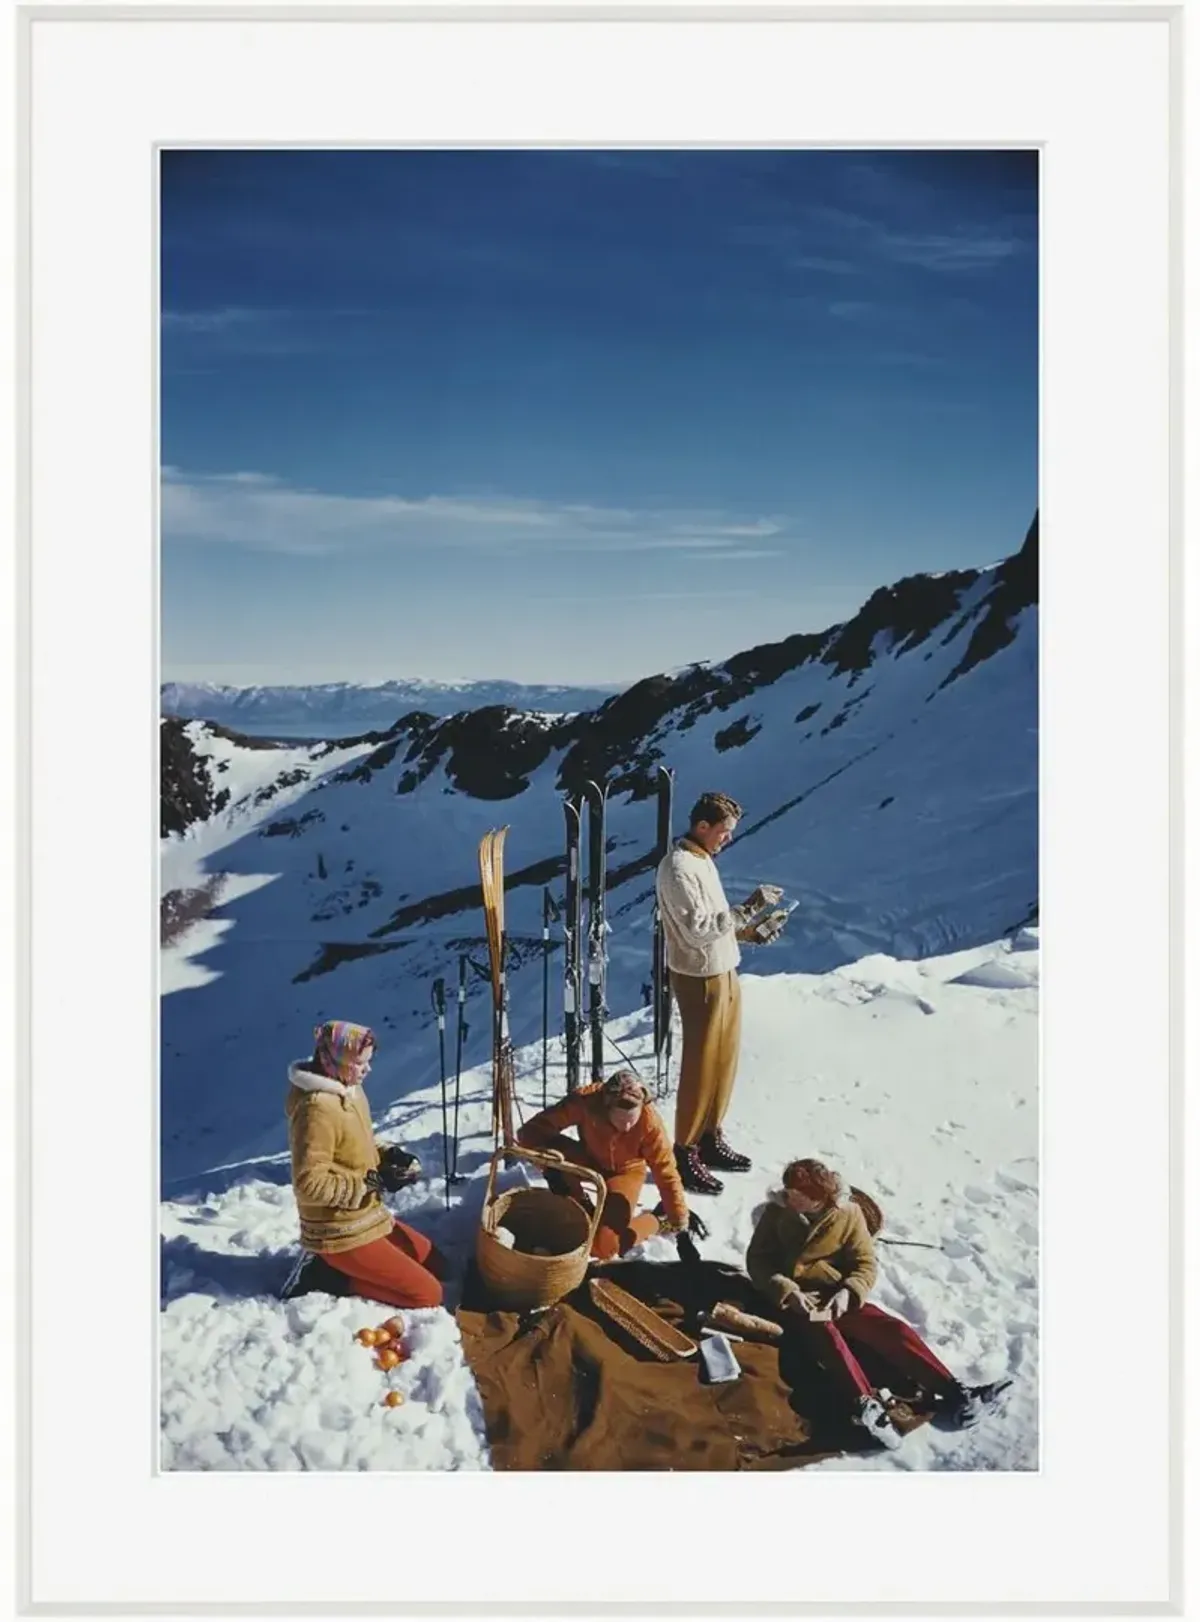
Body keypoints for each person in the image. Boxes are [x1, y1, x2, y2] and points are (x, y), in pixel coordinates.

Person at [747, 1158, 1009, 1449]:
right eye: (788, 1191)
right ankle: (866, 1404)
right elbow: (757, 1261)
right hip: (793, 1299)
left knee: (889, 1328)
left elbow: (865, 1263)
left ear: (820, 1198)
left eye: (799, 1195)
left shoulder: (849, 1215)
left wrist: (849, 1291)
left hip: (836, 1293)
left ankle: (955, 1392)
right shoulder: (776, 1212)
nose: (790, 1198)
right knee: (826, 1335)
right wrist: (786, 1289)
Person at [655, 789, 786, 1195]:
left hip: (723, 968)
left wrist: (748, 932)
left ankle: (710, 1136)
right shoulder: (679, 869)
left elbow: (714, 924)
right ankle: (686, 1148)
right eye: (724, 832)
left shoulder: (701, 861)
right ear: (702, 826)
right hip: (699, 976)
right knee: (701, 1061)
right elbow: (697, 930)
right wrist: (745, 911)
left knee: (723, 1058)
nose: (727, 839)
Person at [284, 1019, 446, 1309]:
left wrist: (389, 1155)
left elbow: (355, 1145)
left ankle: (347, 1267)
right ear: (329, 1060)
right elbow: (308, 1183)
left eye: (367, 1062)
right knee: (427, 1295)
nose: (367, 1069)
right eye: (360, 1063)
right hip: (338, 1230)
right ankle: (326, 1275)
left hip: (368, 1216)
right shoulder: (316, 1108)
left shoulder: (349, 1089)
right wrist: (370, 1184)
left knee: (438, 1264)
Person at [517, 1070, 690, 1260]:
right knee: (572, 1225)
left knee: (604, 1247)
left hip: (626, 1172)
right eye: (621, 1120)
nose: (626, 1127)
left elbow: (666, 1172)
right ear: (606, 1107)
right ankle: (580, 1203)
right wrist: (548, 1163)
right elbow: (530, 1131)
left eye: (631, 1120)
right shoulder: (586, 1101)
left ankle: (657, 1219)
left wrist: (679, 1223)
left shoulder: (650, 1124)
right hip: (589, 1158)